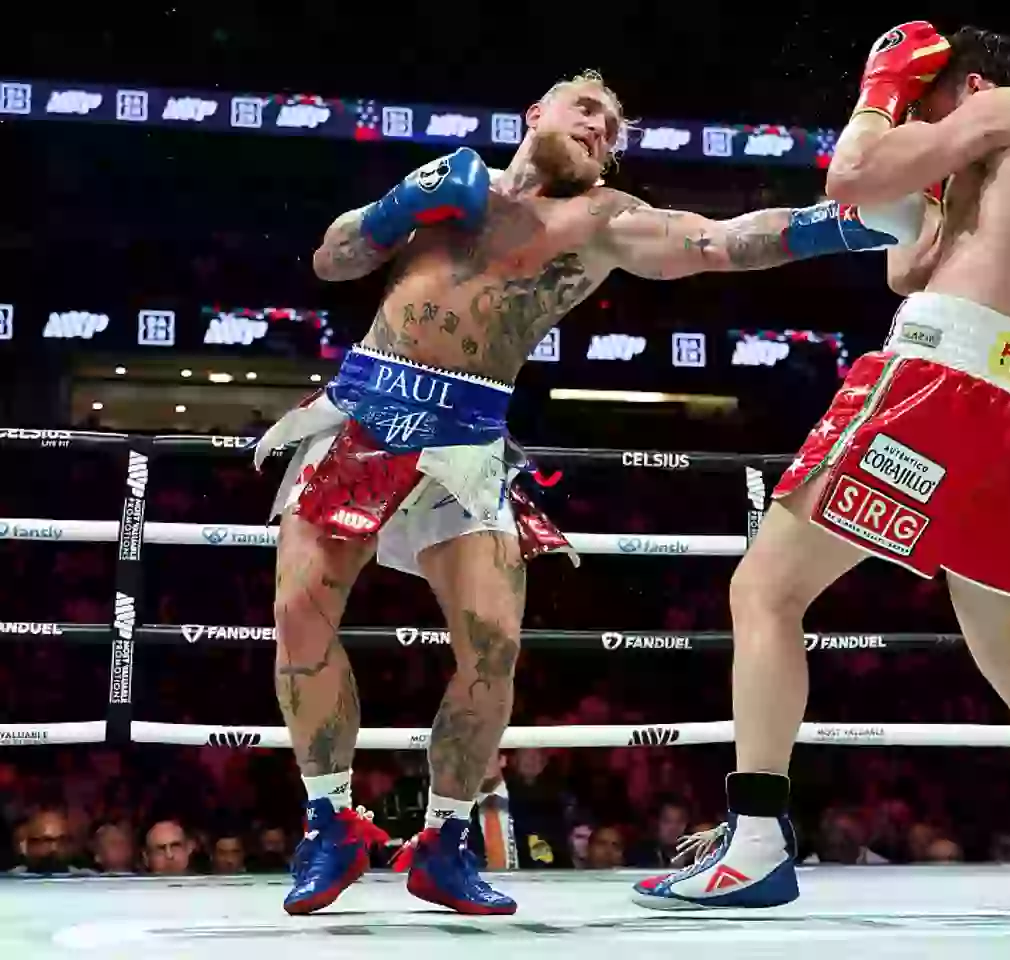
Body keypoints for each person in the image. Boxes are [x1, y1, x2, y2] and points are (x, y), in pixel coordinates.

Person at [254, 69, 929, 916]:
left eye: (612, 129)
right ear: (534, 113)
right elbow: (332, 257)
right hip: (363, 411)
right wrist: (394, 208)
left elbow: (718, 241)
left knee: (493, 646)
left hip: (467, 439)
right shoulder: (448, 187)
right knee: (299, 615)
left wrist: (849, 224)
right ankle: (330, 821)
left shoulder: (602, 218)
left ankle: (448, 839)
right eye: (587, 113)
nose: (600, 131)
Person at [633, 24, 1010, 917]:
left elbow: (850, 172)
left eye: (929, 106)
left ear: (974, 89)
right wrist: (936, 193)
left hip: (937, 383)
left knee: (764, 589)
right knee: (1006, 645)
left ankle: (755, 842)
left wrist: (880, 93)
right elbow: (906, 269)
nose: (916, 123)